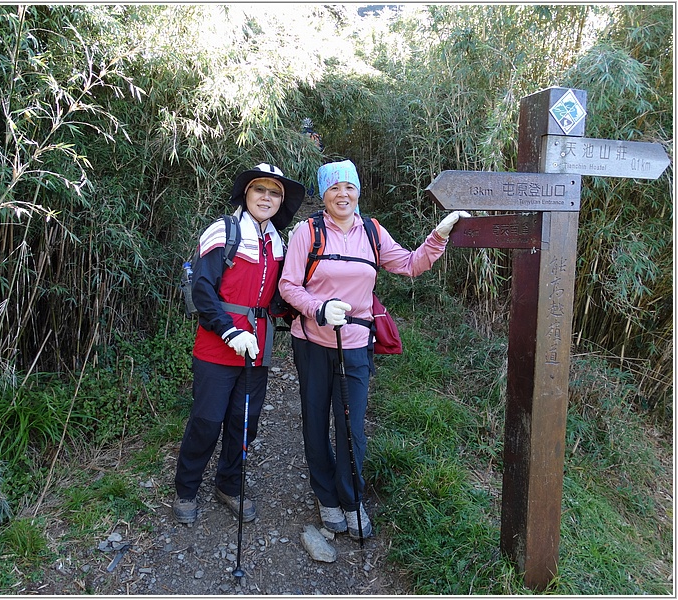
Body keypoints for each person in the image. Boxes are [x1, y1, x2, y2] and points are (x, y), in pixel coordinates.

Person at [278, 159, 469, 539]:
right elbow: (288, 285)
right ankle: (326, 497)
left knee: (351, 427)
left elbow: (411, 265)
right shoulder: (308, 232)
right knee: (315, 422)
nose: (342, 194)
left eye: (349, 187)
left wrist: (439, 235)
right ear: (324, 194)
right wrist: (318, 308)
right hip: (312, 342)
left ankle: (351, 500)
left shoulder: (371, 231)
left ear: (358, 191)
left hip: (355, 346)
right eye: (334, 188)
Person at [173, 163, 305, 524]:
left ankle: (229, 485)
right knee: (207, 419)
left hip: (257, 348)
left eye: (274, 192)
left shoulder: (279, 242)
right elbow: (202, 289)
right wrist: (229, 330)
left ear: (282, 202)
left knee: (244, 421)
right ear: (246, 194)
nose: (267, 197)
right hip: (217, 345)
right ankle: (186, 488)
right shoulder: (224, 231)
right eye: (259, 189)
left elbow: (280, 295)